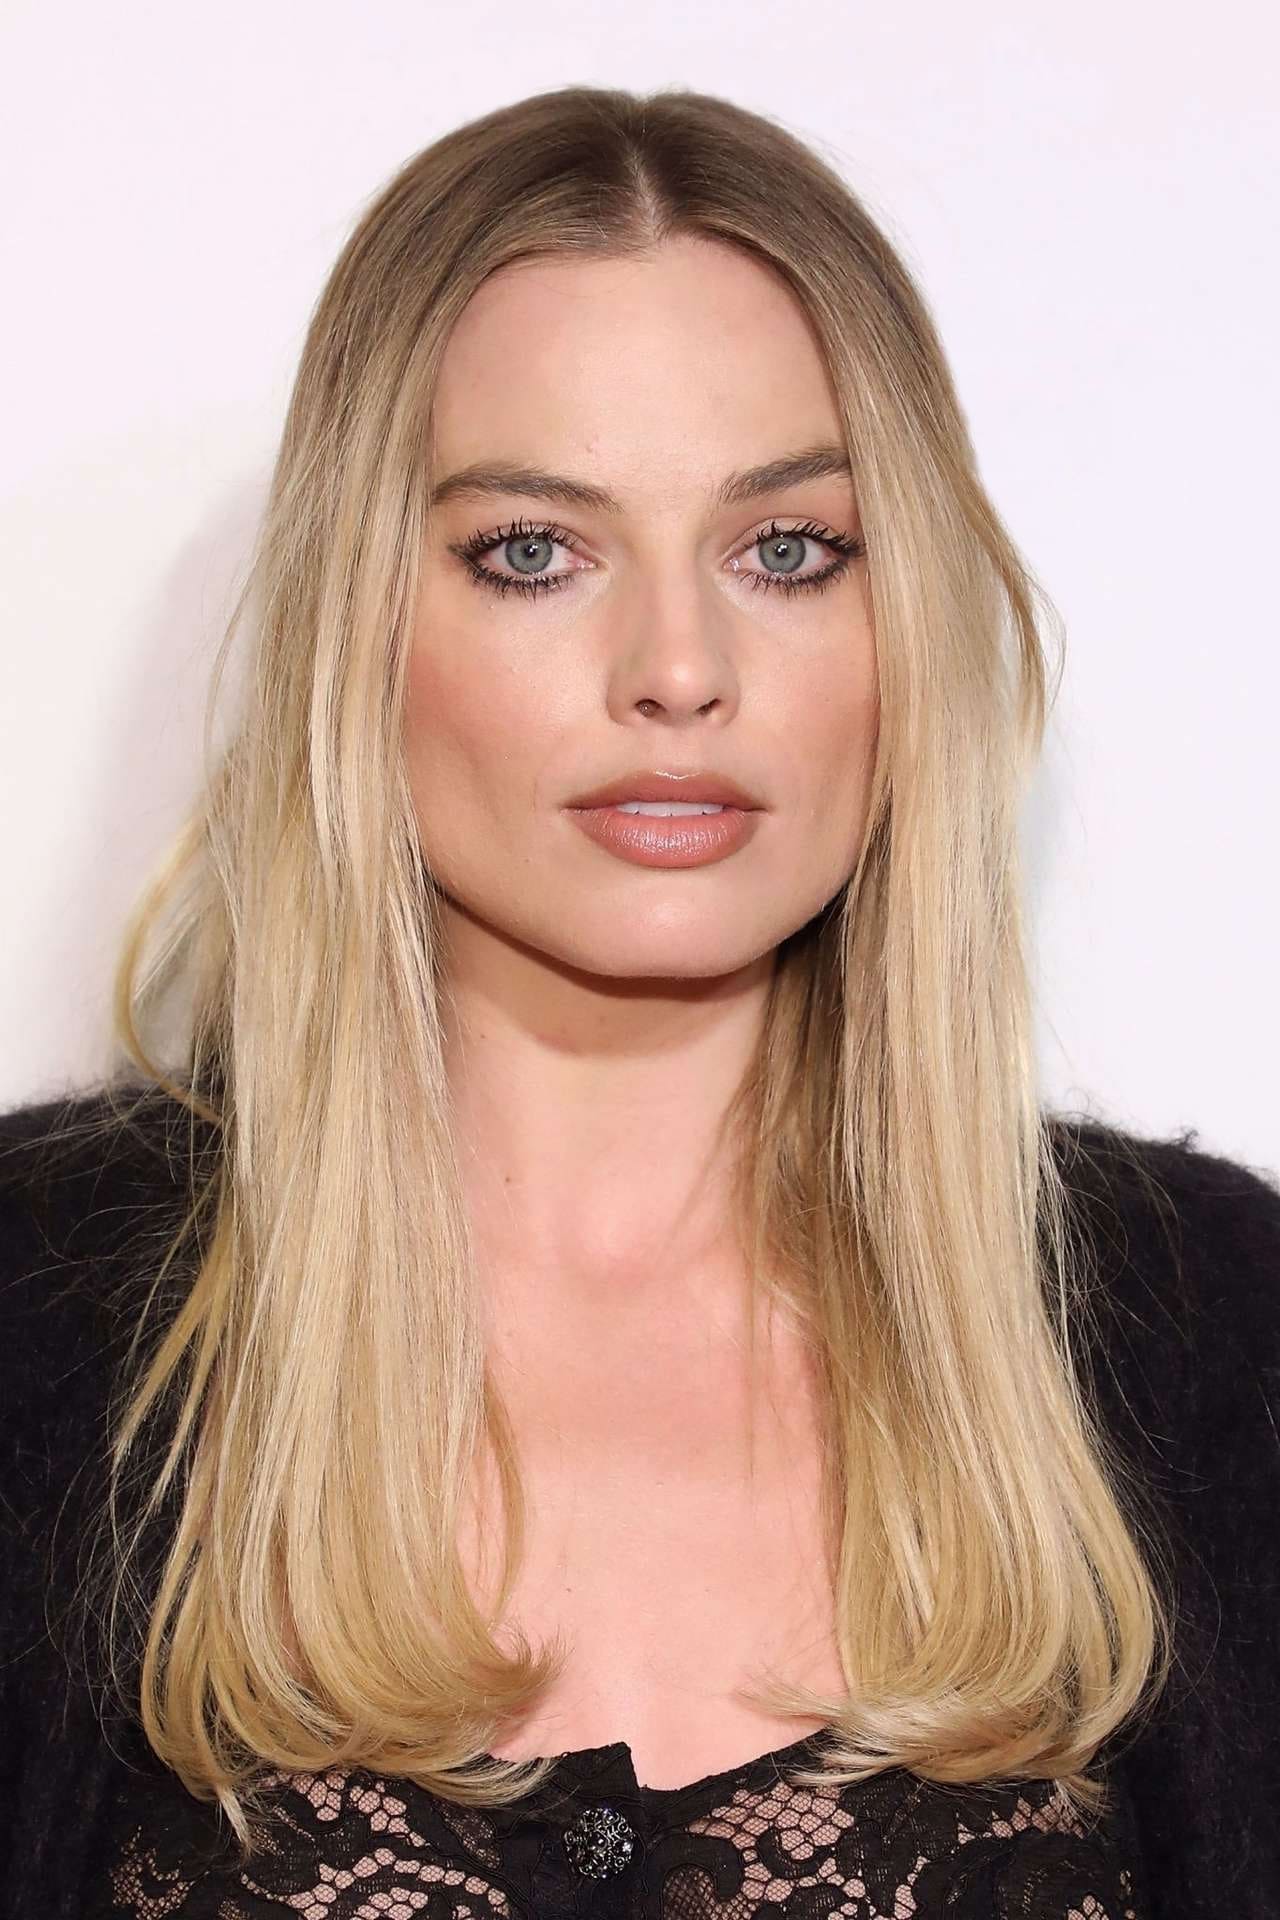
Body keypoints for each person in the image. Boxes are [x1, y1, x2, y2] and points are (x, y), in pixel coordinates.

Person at [1, 84, 1277, 1920]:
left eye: (789, 550)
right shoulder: (35, 1316)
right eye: (535, 549)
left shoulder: (1217, 1338)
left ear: (905, 619)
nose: (678, 668)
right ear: (359, 627)